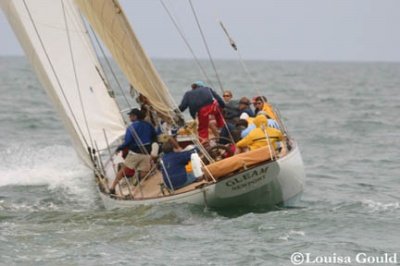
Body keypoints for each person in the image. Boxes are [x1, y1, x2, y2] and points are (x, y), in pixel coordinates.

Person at [109, 108, 157, 195]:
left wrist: (119, 148)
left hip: (134, 154)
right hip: (146, 153)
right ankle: (135, 184)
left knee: (124, 170)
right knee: (144, 172)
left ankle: (112, 187)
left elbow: (127, 142)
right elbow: (154, 137)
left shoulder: (131, 127)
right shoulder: (149, 125)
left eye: (130, 116)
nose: (129, 117)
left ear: (135, 117)